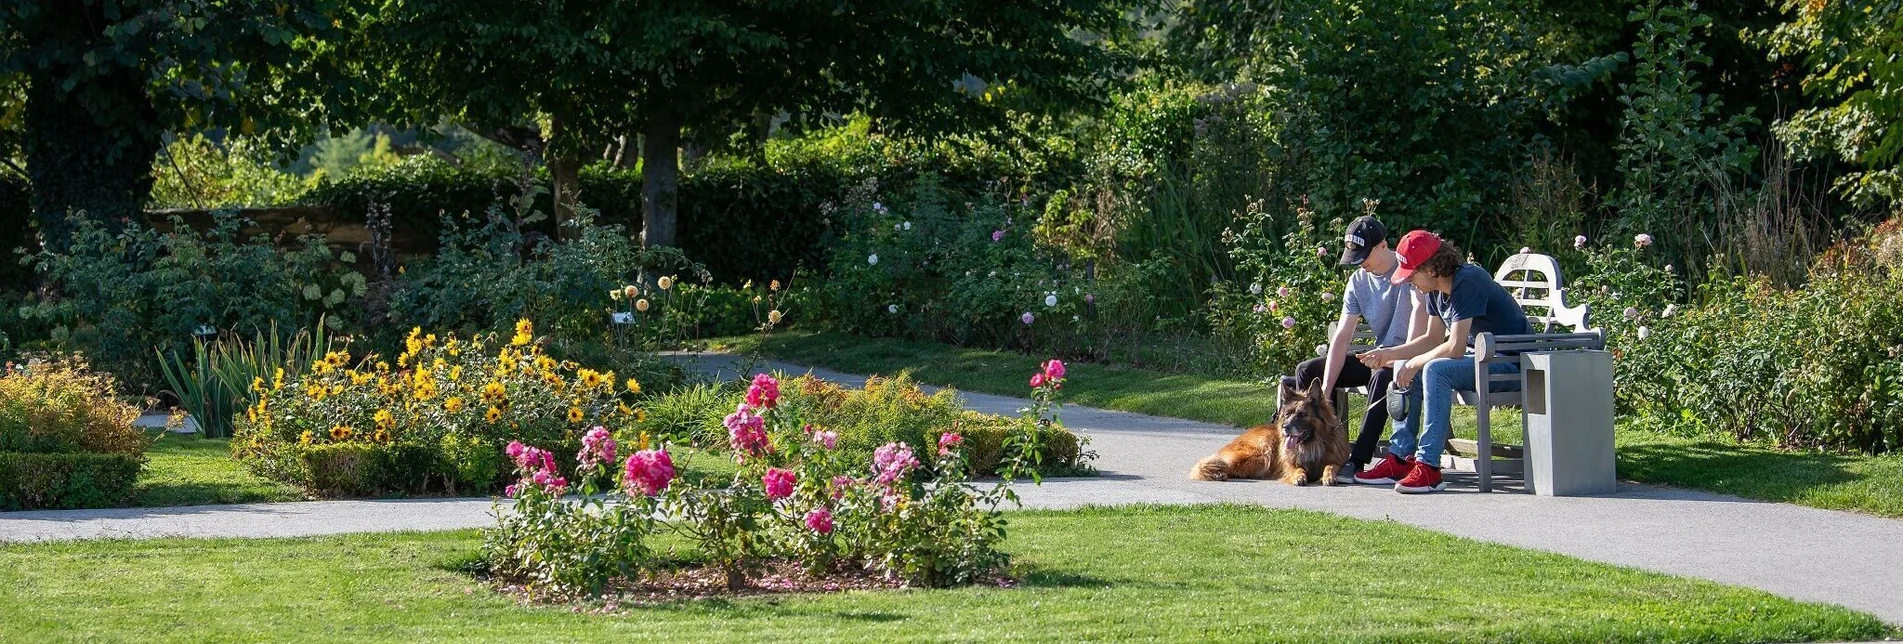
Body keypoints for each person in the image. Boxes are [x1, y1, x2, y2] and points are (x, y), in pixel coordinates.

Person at [1352, 230, 1530, 493]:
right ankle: (1401, 458)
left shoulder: (1468, 281)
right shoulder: (1435, 291)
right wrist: (1390, 355)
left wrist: (1414, 364)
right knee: (1415, 365)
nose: (1410, 281)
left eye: (1412, 274)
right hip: (1480, 359)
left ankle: (1429, 468)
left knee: (1433, 368)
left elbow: (1454, 347)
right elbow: (1431, 339)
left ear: (1432, 268)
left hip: (1510, 363)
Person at [1283, 216, 1427, 483]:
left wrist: (1394, 356)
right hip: (1379, 355)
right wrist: (1323, 393)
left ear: (1383, 245)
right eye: (1355, 257)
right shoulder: (1359, 281)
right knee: (1307, 369)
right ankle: (1321, 449)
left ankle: (1357, 458)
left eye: (1364, 256)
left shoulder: (1408, 272)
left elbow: (1420, 327)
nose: (1361, 263)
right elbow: (1343, 336)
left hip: (1407, 357)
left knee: (1384, 376)